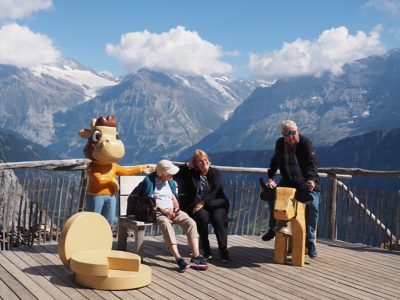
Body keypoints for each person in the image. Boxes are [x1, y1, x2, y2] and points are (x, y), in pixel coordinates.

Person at [261, 120, 320, 258]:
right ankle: (273, 228)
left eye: (293, 132)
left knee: (313, 206)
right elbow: (275, 160)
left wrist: (311, 180)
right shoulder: (280, 143)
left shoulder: (305, 143)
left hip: (306, 182)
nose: (291, 136)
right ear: (283, 134)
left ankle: (310, 242)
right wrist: (271, 177)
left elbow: (312, 164)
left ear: (297, 131)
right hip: (288, 180)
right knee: (273, 197)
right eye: (287, 133)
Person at [141, 159, 208, 272]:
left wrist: (176, 208)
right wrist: (164, 211)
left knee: (190, 222)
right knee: (166, 224)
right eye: (170, 173)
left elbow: (173, 198)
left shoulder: (170, 182)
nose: (172, 175)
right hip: (157, 212)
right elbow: (148, 201)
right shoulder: (150, 181)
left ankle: (196, 256)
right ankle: (178, 258)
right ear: (162, 173)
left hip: (173, 211)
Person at [175, 150, 230, 262]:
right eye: (200, 161)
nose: (204, 163)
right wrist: (187, 165)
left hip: (216, 204)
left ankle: (223, 251)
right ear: (195, 164)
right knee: (201, 218)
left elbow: (216, 190)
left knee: (218, 219)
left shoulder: (215, 173)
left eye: (205, 160)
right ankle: (206, 250)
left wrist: (202, 203)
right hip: (199, 206)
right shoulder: (193, 173)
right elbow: (176, 172)